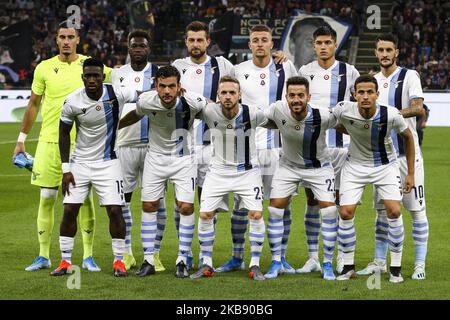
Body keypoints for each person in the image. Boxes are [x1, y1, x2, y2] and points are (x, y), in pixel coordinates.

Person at [12, 22, 110, 272]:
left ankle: (88, 256)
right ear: (56, 40)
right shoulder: (44, 68)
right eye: (62, 37)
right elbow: (33, 105)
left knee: (84, 200)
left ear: (79, 39)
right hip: (48, 142)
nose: (66, 41)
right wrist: (21, 140)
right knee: (47, 198)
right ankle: (44, 255)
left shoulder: (90, 65)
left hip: (83, 144)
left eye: (71, 37)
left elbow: (121, 76)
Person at [219, 24, 297, 274]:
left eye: (265, 39)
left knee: (280, 204)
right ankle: (237, 256)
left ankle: (280, 257)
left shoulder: (286, 66)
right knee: (241, 206)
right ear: (250, 45)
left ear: (272, 44)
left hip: (279, 147)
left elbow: (296, 99)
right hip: (247, 148)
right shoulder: (238, 70)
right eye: (256, 40)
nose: (260, 44)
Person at [50, 58, 138, 277]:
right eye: (87, 75)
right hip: (79, 163)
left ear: (102, 76)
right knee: (70, 210)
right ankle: (65, 261)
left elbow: (144, 94)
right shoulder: (72, 101)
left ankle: (119, 261)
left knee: (115, 210)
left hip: (108, 162)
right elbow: (63, 133)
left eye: (95, 75)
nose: (91, 79)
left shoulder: (117, 93)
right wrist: (65, 169)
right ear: (82, 77)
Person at [119, 66, 207, 278]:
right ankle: (148, 259)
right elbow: (136, 114)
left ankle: (183, 259)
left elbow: (212, 112)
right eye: (162, 86)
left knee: (185, 207)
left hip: (184, 159)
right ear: (156, 86)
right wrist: (115, 126)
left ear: (179, 87)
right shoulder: (147, 101)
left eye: (171, 86)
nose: (167, 91)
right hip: (155, 159)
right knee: (149, 205)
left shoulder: (193, 101)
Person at [357, 34, 428, 280]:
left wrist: (392, 114)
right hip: (382, 159)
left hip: (407, 155)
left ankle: (420, 264)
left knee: (416, 210)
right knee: (382, 211)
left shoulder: (410, 76)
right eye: (380, 50)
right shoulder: (373, 81)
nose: (385, 54)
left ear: (396, 52)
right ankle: (379, 261)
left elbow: (418, 107)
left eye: (389, 50)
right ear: (376, 53)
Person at [333, 75, 415, 283]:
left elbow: (408, 138)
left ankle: (395, 269)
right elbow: (330, 123)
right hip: (355, 165)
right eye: (361, 92)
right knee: (345, 212)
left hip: (385, 166)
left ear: (377, 94)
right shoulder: (343, 109)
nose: (365, 96)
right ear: (354, 95)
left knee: (394, 211)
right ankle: (348, 267)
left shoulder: (391, 114)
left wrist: (411, 173)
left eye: (370, 92)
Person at [171, 21, 235, 269]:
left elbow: (237, 92)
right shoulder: (176, 67)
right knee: (182, 203)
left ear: (208, 42)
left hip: (213, 146)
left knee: (208, 203)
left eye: (200, 40)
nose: (195, 44)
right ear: (185, 42)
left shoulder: (223, 65)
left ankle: (205, 255)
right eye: (191, 40)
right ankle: (184, 253)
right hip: (183, 145)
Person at [190, 76, 267, 281]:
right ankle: (206, 263)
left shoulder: (254, 113)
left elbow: (278, 123)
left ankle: (255, 265)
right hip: (218, 171)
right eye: (223, 92)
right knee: (205, 214)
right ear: (217, 96)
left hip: (248, 171)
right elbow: (191, 106)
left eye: (232, 92)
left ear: (239, 95)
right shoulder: (209, 111)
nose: (228, 96)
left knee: (256, 215)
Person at [263, 76, 339, 280]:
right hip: (288, 167)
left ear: (308, 97)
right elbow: (259, 119)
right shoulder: (277, 109)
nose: (296, 100)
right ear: (286, 96)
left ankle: (327, 263)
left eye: (300, 95)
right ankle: (276, 261)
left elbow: (345, 123)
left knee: (330, 210)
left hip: (319, 167)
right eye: (292, 95)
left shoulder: (323, 115)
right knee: (274, 208)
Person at [297, 25, 359, 274]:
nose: (323, 47)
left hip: (342, 148)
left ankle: (344, 258)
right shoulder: (304, 71)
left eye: (328, 43)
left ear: (335, 45)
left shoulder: (349, 71)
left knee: (343, 203)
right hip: (313, 148)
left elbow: (357, 107)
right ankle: (313, 256)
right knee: (312, 200)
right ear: (314, 46)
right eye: (319, 43)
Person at [110, 29, 167, 272]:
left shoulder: (159, 73)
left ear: (149, 48)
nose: (138, 49)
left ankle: (154, 254)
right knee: (124, 200)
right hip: (125, 144)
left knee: (158, 203)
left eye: (142, 46)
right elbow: (116, 104)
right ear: (128, 47)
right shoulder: (117, 74)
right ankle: (127, 252)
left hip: (155, 145)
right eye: (134, 45)